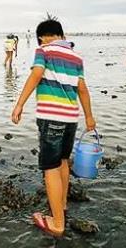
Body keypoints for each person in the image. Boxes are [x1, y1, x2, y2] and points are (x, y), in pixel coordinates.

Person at [11, 16, 96, 238]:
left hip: (51, 118)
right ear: (61, 34)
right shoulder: (76, 57)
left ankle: (57, 223)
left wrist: (19, 104)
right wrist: (89, 117)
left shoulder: (44, 51)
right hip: (71, 119)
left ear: (42, 37)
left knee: (50, 167)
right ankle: (63, 205)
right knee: (63, 162)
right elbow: (83, 89)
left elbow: (36, 74)